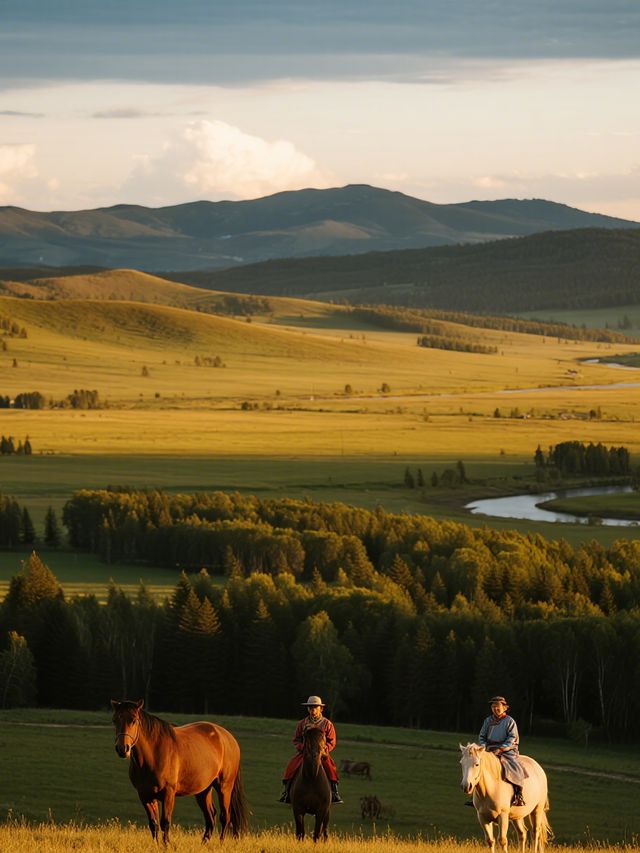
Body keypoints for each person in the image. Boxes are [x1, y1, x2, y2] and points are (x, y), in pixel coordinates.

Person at [278, 695, 343, 804]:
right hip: (305, 753)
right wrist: (302, 748)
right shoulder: (302, 724)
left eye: (315, 707)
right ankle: (286, 792)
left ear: (321, 709)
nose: (312, 710)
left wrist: (323, 750)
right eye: (310, 707)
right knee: (291, 766)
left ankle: (335, 792)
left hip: (321, 754)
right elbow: (296, 739)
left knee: (331, 768)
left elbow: (332, 741)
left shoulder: (327, 724)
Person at [479, 695, 527, 807]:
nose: (495, 708)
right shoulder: (488, 721)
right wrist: (484, 747)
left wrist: (501, 748)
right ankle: (477, 797)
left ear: (505, 707)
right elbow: (482, 736)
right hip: (489, 749)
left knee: (514, 767)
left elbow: (512, 738)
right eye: (493, 706)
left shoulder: (510, 721)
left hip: (507, 750)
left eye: (497, 706)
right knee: (478, 766)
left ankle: (518, 794)